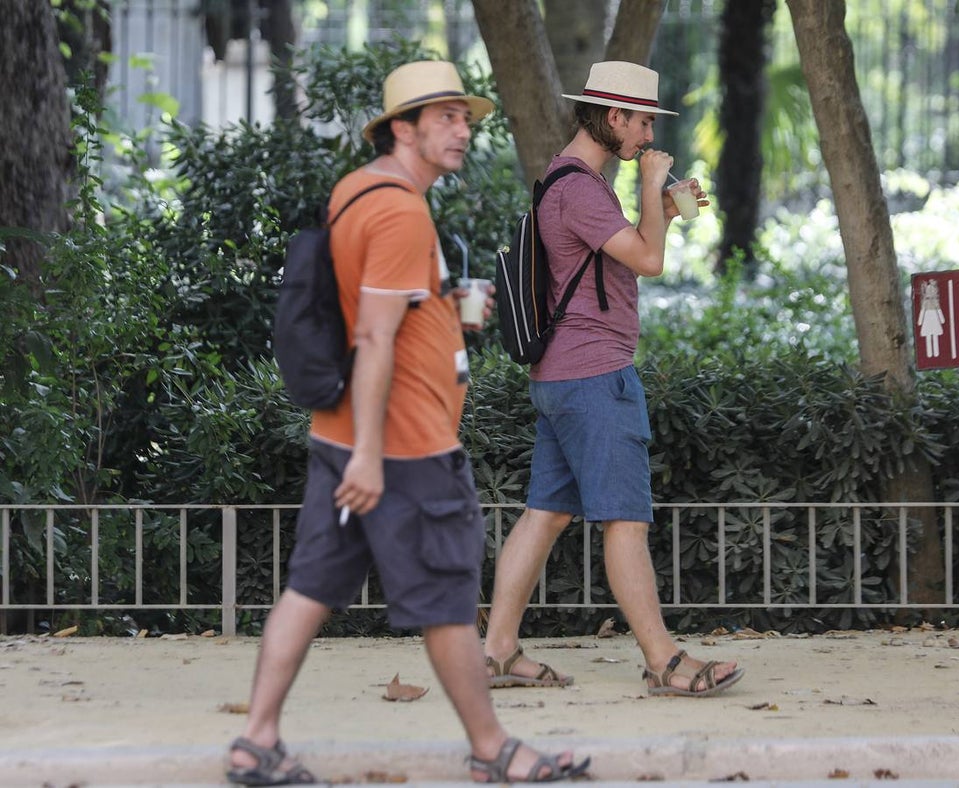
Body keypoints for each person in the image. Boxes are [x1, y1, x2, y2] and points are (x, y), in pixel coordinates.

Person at [226, 60, 589, 785]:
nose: (463, 130)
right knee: (450, 603)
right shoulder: (398, 211)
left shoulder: (357, 190)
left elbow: (375, 314)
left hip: (344, 438)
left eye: (465, 117)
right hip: (400, 449)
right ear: (403, 128)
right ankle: (493, 751)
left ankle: (255, 741)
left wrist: (445, 317)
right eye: (446, 116)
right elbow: (373, 339)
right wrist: (370, 454)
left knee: (309, 589)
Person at [483, 61, 744, 698]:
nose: (647, 134)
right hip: (596, 378)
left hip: (561, 378)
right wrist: (655, 188)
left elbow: (630, 253)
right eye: (642, 120)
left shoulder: (563, 178)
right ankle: (664, 661)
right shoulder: (583, 189)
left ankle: (494, 652)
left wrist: (663, 208)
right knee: (624, 521)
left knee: (544, 514)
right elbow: (649, 261)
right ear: (612, 116)